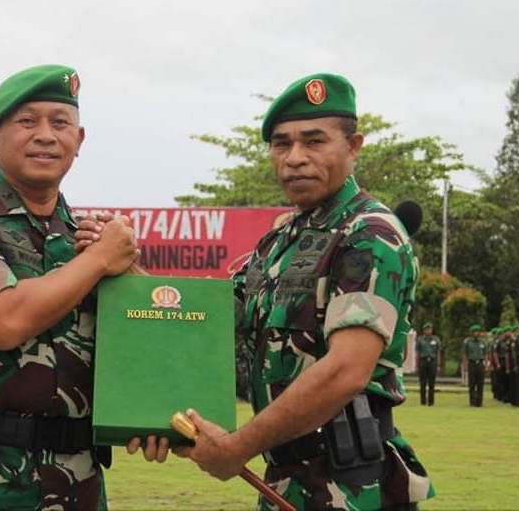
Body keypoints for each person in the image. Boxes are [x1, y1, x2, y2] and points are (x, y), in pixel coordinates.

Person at [122, 73, 433, 510]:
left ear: (353, 146)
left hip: (353, 486)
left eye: (314, 141)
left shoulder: (369, 234)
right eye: (282, 144)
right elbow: (202, 318)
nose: (295, 158)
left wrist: (237, 447)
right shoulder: (280, 243)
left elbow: (347, 369)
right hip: (289, 480)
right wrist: (117, 265)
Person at [0, 64, 139, 510]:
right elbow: (5, 322)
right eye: (27, 121)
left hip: (77, 479)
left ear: (80, 140)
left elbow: (140, 343)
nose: (46, 136)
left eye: (60, 122)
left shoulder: (88, 237)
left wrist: (126, 266)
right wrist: (98, 259)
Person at [462, 324, 487, 407]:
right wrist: (465, 365)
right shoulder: (468, 342)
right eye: (475, 332)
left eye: (478, 331)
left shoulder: (482, 342)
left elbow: (485, 354)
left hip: (480, 363)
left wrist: (486, 364)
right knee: (472, 384)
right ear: (472, 333)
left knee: (480, 384)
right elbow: (465, 354)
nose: (477, 333)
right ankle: (472, 402)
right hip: (472, 363)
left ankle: (479, 402)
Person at [416, 323, 441, 406]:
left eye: (429, 329)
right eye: (426, 329)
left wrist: (438, 364)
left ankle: (431, 402)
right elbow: (417, 353)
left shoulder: (436, 339)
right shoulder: (420, 339)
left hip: (432, 362)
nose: (428, 331)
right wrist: (417, 364)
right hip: (423, 361)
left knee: (432, 383)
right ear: (424, 331)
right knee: (422, 382)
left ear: (432, 330)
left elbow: (438, 352)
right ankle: (423, 401)